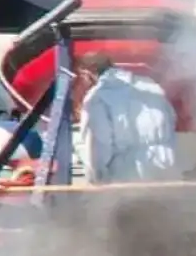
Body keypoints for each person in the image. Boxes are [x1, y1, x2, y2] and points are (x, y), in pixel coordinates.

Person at [75, 52, 180, 184]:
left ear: (88, 73)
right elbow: (171, 119)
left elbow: (97, 147)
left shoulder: (98, 96)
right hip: (167, 168)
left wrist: (96, 179)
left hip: (130, 175)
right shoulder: (150, 85)